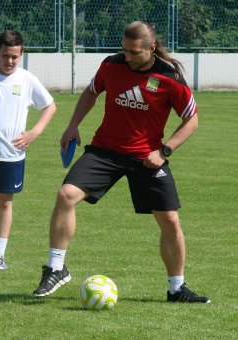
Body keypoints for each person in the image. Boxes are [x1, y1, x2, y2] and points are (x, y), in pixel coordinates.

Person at [32, 21, 210, 303]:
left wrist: (164, 152)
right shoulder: (111, 65)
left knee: (171, 221)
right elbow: (92, 91)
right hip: (106, 151)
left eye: (134, 52)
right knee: (66, 194)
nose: (127, 57)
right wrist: (72, 125)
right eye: (124, 50)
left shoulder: (169, 76)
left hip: (147, 158)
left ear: (151, 48)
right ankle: (56, 268)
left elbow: (192, 119)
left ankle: (177, 288)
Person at [0, 30, 56, 270]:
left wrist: (34, 133)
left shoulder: (27, 79)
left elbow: (49, 106)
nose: (9, 61)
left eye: (15, 57)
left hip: (12, 155)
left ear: (22, 55)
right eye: (5, 56)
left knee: (5, 203)